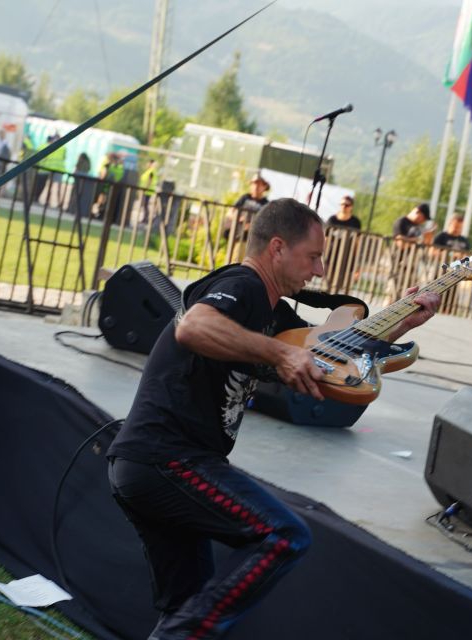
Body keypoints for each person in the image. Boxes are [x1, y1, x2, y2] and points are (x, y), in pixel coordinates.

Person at [106, 198, 441, 640]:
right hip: (166, 459)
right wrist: (280, 352)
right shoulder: (241, 285)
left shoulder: (274, 314)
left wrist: (400, 322)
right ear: (278, 248)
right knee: (282, 536)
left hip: (152, 465)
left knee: (187, 604)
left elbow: (329, 356)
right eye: (313, 256)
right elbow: (193, 327)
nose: (319, 271)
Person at [222, 174, 270, 261]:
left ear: (264, 187)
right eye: (254, 184)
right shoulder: (245, 198)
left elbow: (267, 223)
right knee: (233, 261)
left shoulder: (266, 204)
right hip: (237, 235)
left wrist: (252, 225)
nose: (256, 187)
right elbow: (230, 212)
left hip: (252, 240)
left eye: (259, 184)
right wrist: (239, 218)